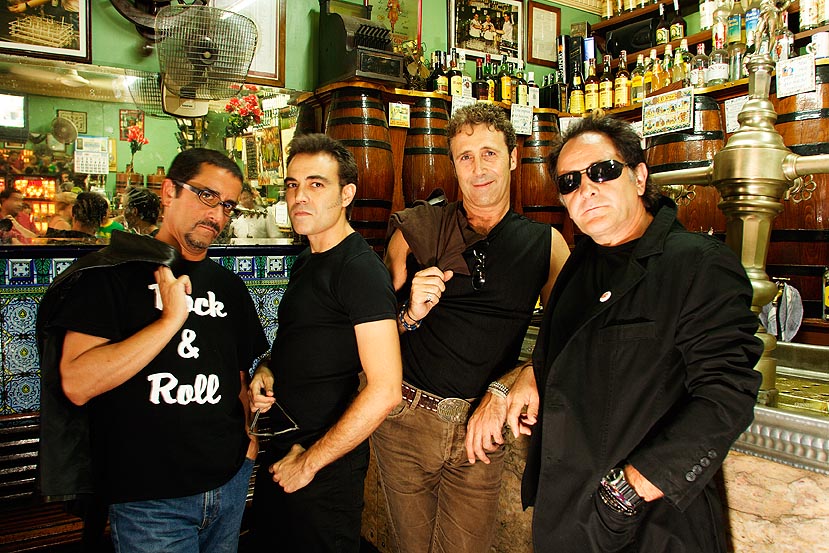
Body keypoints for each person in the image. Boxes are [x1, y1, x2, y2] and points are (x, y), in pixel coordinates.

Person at [506, 115, 764, 552]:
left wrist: (629, 492)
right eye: (570, 181)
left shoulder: (697, 264)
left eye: (603, 171)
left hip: (648, 527)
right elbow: (575, 347)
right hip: (566, 519)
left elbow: (727, 392)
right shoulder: (579, 263)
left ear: (640, 177)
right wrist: (534, 372)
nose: (586, 189)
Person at [37, 148, 267, 552]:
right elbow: (77, 383)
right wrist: (169, 322)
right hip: (149, 499)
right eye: (207, 195)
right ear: (168, 192)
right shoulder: (110, 277)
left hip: (228, 483)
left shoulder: (229, 286)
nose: (216, 214)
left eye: (228, 205)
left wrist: (248, 443)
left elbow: (236, 377)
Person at [372, 103, 570, 553]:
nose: (478, 169)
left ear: (513, 158)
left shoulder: (546, 244)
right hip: (405, 422)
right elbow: (376, 335)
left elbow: (569, 335)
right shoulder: (415, 231)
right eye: (465, 156)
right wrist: (410, 313)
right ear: (453, 165)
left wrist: (506, 387)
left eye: (489, 154)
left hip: (481, 431)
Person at [248, 134, 402, 552]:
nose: (299, 196)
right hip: (284, 451)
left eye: (316, 184)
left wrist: (309, 464)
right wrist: (267, 369)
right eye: (293, 184)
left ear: (346, 194)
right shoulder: (307, 260)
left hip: (323, 466)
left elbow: (386, 389)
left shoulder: (360, 270)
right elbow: (300, 343)